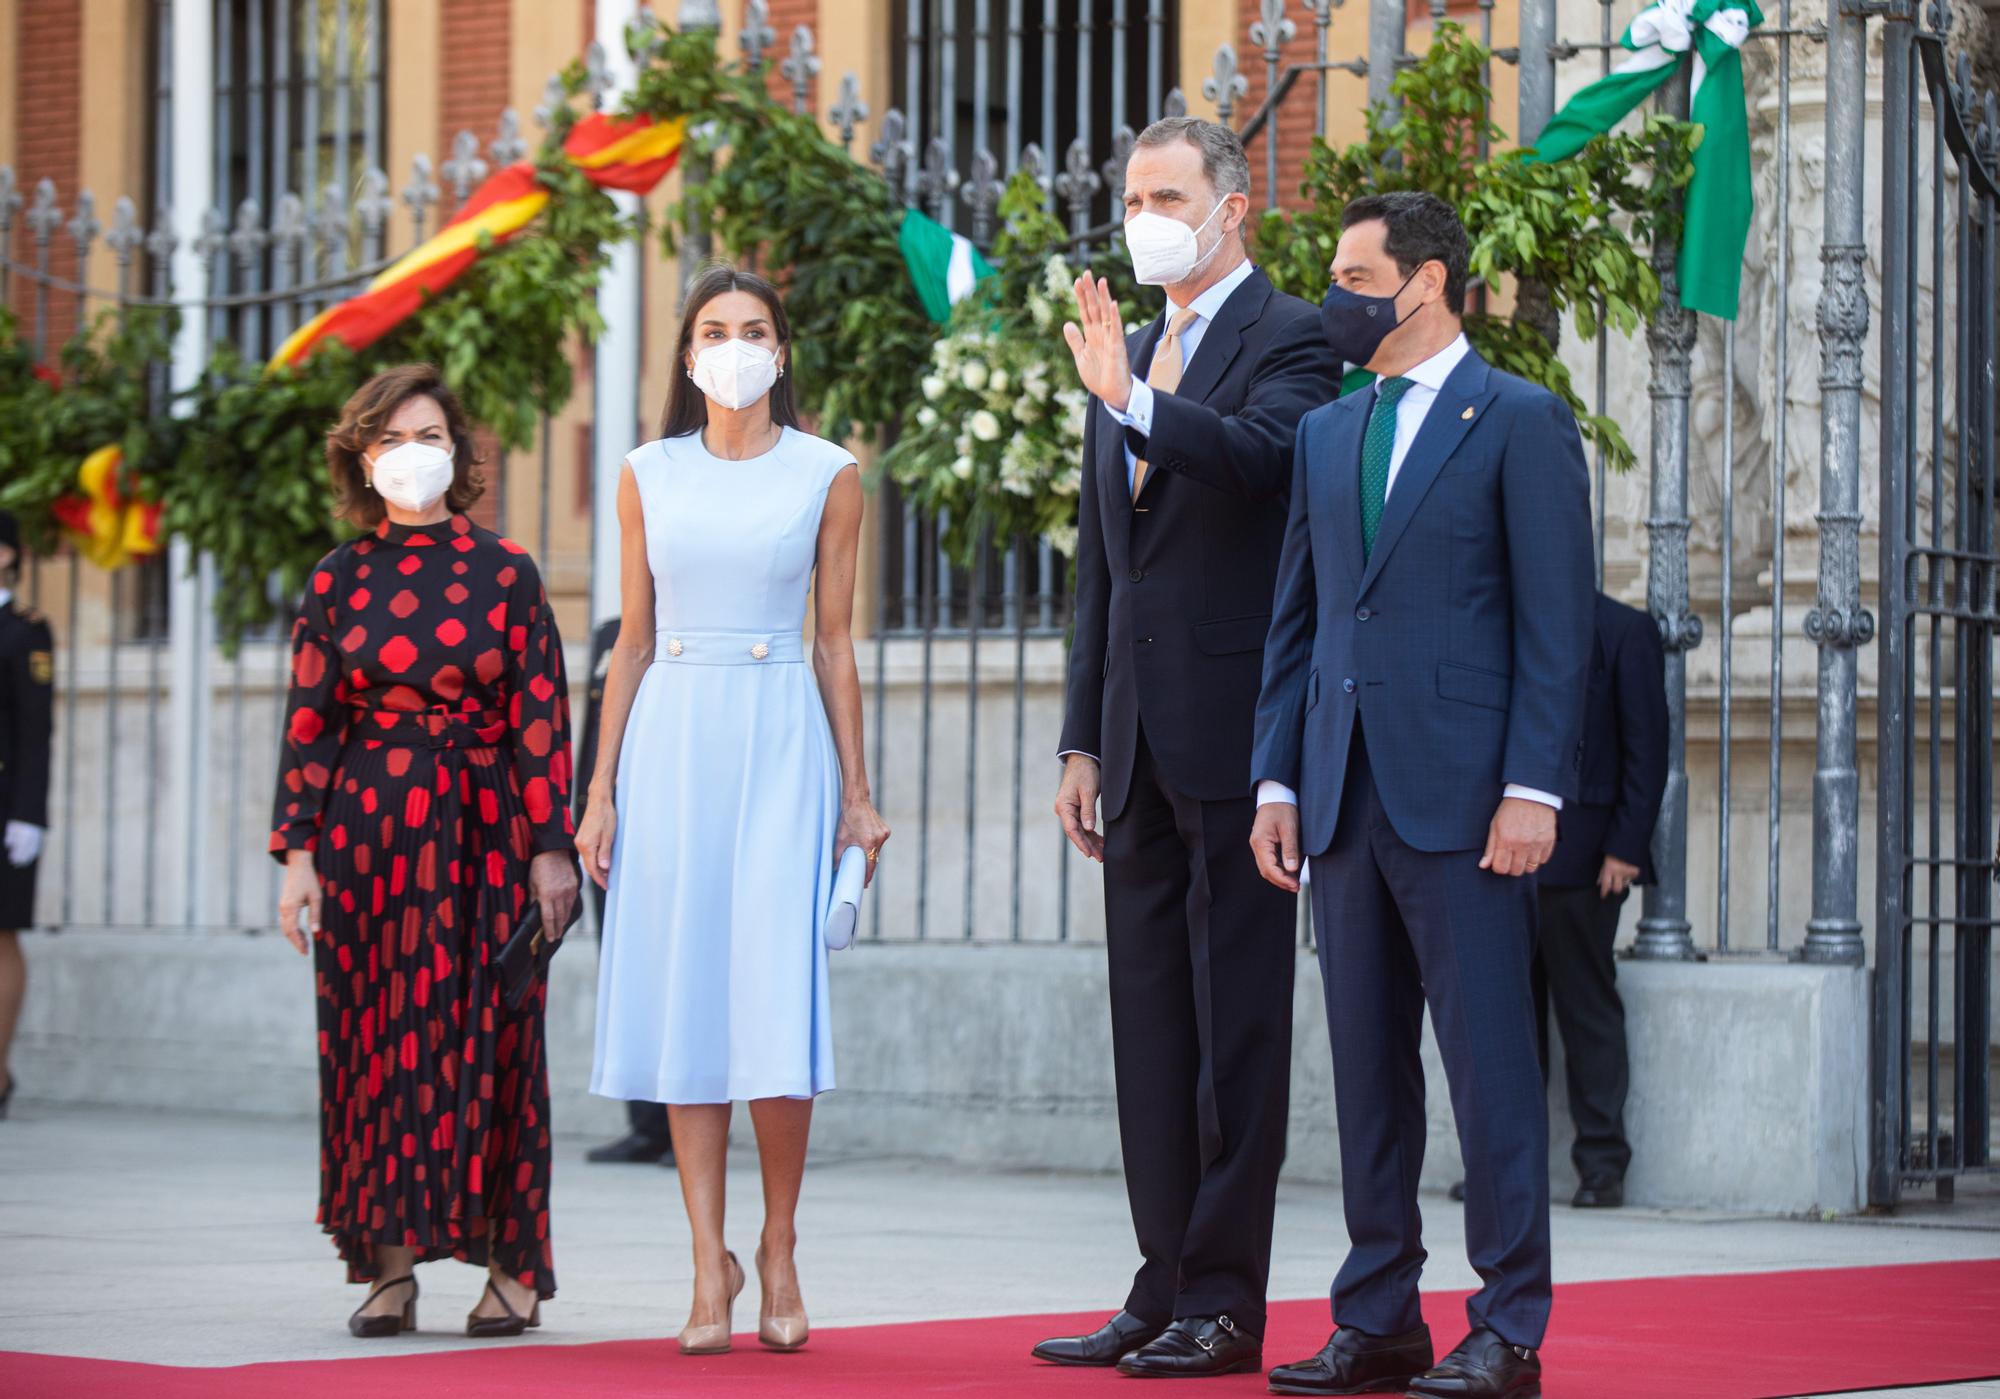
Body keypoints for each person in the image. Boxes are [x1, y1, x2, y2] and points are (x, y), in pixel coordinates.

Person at [1250, 191, 1593, 1399]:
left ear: (1428, 279)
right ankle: (1377, 1314)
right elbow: (1297, 621)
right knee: (1366, 1074)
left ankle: (1505, 1327)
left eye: (1355, 276)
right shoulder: (1326, 435)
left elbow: (1557, 628)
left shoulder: (1518, 418)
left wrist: (1533, 788)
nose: (1335, 297)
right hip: (1340, 799)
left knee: (1489, 1070)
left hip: (1469, 808)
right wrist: (1277, 774)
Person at [1040, 117, 1337, 1381]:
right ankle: (1159, 1283)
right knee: (1150, 1025)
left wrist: (1137, 402)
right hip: (1135, 743)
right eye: (1131, 195)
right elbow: (1106, 566)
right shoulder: (1134, 346)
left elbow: (1266, 461)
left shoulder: (1295, 337)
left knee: (1236, 1032)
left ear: (1231, 213)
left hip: (1238, 733)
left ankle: (1224, 1297)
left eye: (1167, 194)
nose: (1142, 214)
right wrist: (1077, 742)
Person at [577, 265, 888, 1357]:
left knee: (772, 995)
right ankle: (703, 1260)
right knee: (690, 998)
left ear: (782, 350)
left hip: (777, 740)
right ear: (685, 354)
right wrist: (599, 788)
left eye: (753, 329)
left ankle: (779, 1242)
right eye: (713, 329)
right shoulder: (643, 473)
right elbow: (631, 638)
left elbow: (835, 641)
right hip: (671, 739)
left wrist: (857, 797)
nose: (734, 345)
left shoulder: (829, 473)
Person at [271, 364, 578, 1340]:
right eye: (395, 439)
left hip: (483, 835)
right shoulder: (337, 576)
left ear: (459, 453)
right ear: (365, 456)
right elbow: (310, 723)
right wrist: (296, 855)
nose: (416, 455)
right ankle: (389, 1269)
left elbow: (540, 716)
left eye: (432, 437)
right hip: (367, 842)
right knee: (371, 1048)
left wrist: (551, 849)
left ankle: (513, 1272)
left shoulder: (506, 572)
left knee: (496, 1041)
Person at [1532, 591, 1667, 1210]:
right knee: (1505, 1022)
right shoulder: (1504, 620)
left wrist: (1624, 847)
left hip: (1587, 864)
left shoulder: (1625, 630)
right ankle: (1509, 1168)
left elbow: (1647, 751)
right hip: (1502, 862)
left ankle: (1603, 1164)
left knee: (1587, 1012)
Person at [575, 616, 675, 1167]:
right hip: (610, 824)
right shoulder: (613, 633)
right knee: (626, 973)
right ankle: (645, 1123)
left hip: (662, 820)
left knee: (677, 973)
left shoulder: (693, 631)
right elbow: (595, 735)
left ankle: (684, 1116)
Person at [0, 510, 52, 1120]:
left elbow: (36, 731)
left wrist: (29, 814)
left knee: (2, 935)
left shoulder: (24, 631)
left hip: (6, 808)